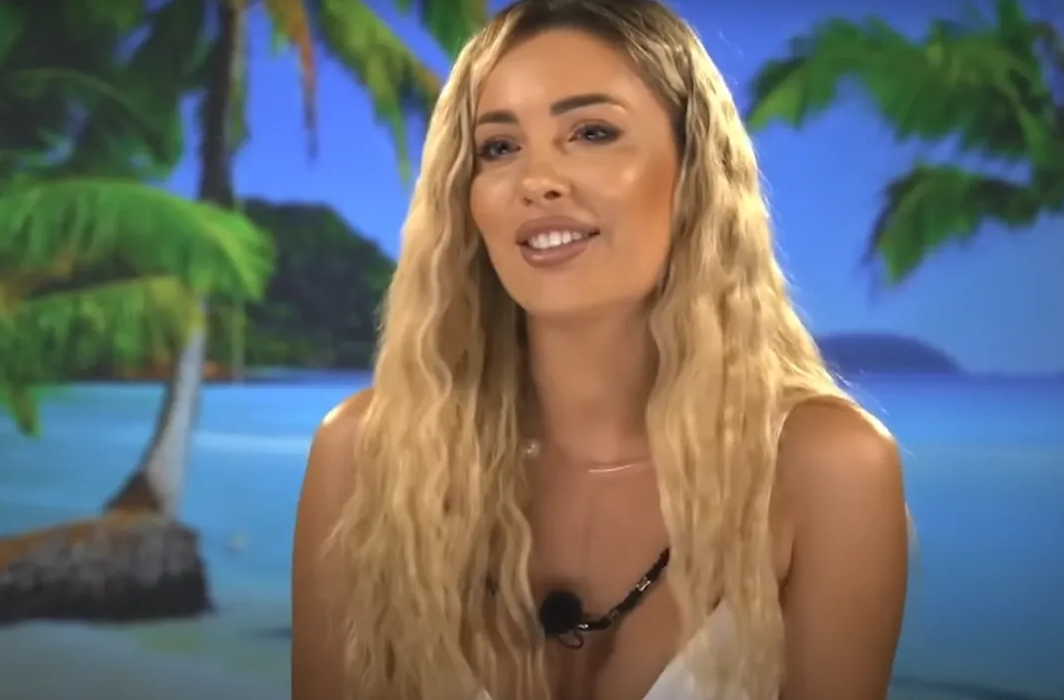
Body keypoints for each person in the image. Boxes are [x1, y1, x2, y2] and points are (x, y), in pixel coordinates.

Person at [291, 0, 910, 698]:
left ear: (694, 173)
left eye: (591, 133)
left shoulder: (827, 471)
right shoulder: (363, 458)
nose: (537, 181)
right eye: (499, 147)